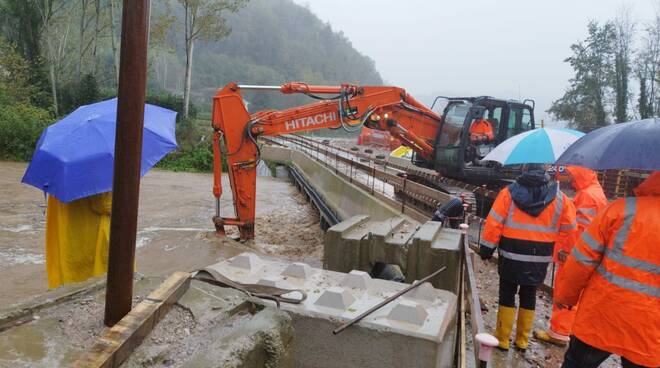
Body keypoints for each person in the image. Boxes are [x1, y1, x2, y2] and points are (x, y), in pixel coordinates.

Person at [555, 171, 660, 368]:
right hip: (649, 329)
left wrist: (566, 297)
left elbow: (581, 261)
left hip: (601, 314)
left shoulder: (619, 210)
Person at [479, 164, 577, 351]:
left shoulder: (508, 193)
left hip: (511, 253)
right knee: (529, 294)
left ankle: (502, 338)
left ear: (524, 171)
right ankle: (522, 340)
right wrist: (560, 251)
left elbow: (494, 222)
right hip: (539, 256)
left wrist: (487, 248)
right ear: (545, 172)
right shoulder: (560, 198)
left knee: (507, 293)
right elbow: (571, 229)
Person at [534, 166, 608, 346]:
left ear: (579, 174)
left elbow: (577, 230)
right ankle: (568, 329)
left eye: (572, 176)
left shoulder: (587, 197)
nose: (571, 181)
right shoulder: (595, 193)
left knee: (566, 292)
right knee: (578, 294)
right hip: (587, 255)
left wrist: (566, 252)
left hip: (575, 255)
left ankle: (559, 332)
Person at [45, 192, 112, 288]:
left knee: (69, 276)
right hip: (91, 232)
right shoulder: (98, 178)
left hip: (65, 230)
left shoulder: (61, 179)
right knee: (99, 278)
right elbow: (104, 204)